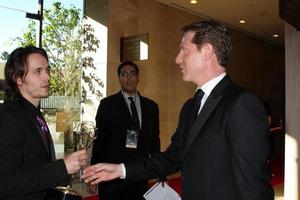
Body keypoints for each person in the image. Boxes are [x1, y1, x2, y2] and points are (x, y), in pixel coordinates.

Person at [82, 20, 274, 200]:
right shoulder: (190, 107)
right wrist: (120, 170)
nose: (177, 59)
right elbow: (172, 158)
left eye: (184, 50)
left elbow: (255, 189)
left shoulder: (242, 104)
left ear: (207, 51)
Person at [0, 45, 88, 200]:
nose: (47, 77)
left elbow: (34, 164)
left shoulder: (33, 113)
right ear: (18, 78)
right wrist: (62, 168)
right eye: (38, 71)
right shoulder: (8, 117)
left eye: (47, 70)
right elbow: (5, 181)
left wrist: (67, 168)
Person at [89, 61, 160, 200]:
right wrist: (93, 175)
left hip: (140, 176)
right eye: (124, 74)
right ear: (119, 78)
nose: (129, 78)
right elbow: (99, 142)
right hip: (111, 178)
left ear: (138, 77)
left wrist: (159, 170)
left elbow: (154, 141)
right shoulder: (107, 105)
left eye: (132, 74)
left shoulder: (151, 107)